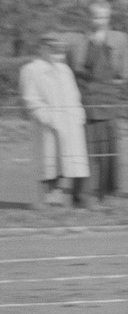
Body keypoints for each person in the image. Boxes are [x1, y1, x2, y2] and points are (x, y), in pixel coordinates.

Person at [69, 0, 128, 202]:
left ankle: (108, 194)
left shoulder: (120, 39)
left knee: (108, 151)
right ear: (89, 17)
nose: (101, 20)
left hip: (107, 102)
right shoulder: (78, 42)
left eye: (105, 16)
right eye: (97, 16)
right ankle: (81, 196)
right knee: (84, 151)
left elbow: (125, 73)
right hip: (85, 102)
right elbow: (73, 72)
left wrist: (109, 87)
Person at [20, 32, 90, 207]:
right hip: (48, 125)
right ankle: (47, 199)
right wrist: (48, 118)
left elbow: (75, 94)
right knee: (49, 162)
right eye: (53, 50)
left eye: (60, 50)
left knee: (71, 161)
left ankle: (73, 200)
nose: (58, 54)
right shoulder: (31, 70)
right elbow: (31, 100)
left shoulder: (64, 70)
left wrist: (78, 114)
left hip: (70, 123)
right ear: (43, 49)